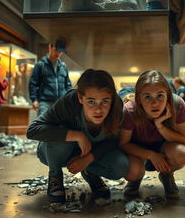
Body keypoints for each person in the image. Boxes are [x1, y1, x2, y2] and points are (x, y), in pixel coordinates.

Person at [26, 69, 129, 203]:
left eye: (105, 101)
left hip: (90, 152)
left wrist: (88, 159)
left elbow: (114, 140)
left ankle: (90, 172)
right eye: (91, 101)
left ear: (112, 98)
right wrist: (77, 135)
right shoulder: (69, 102)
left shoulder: (116, 107)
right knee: (59, 136)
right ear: (80, 98)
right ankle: (55, 177)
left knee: (120, 166)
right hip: (54, 152)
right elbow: (32, 130)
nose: (98, 109)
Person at [120, 70, 185, 199]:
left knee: (181, 153)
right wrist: (151, 155)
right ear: (139, 98)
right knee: (133, 171)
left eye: (160, 96)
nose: (154, 103)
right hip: (138, 150)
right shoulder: (130, 110)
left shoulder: (177, 104)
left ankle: (166, 174)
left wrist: (160, 125)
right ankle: (135, 179)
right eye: (147, 97)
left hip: (165, 147)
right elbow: (123, 144)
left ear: (167, 95)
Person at [29, 39, 72, 115]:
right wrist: (34, 99)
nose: (58, 53)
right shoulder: (40, 65)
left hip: (60, 104)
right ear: (50, 47)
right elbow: (33, 83)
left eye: (60, 51)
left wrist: (70, 99)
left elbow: (68, 85)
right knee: (45, 126)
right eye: (56, 50)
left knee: (60, 126)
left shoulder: (63, 66)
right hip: (45, 103)